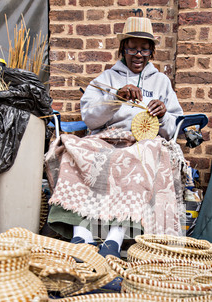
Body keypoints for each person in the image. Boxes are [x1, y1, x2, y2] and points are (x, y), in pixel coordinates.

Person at [46, 16, 187, 258]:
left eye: (144, 49)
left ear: (152, 52)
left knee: (141, 157)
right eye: (132, 48)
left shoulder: (162, 82)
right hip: (106, 138)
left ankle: (114, 239)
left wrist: (164, 115)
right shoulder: (107, 79)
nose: (138, 54)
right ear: (123, 49)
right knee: (72, 152)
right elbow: (90, 118)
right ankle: (83, 236)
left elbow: (176, 128)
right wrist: (115, 100)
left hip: (142, 141)